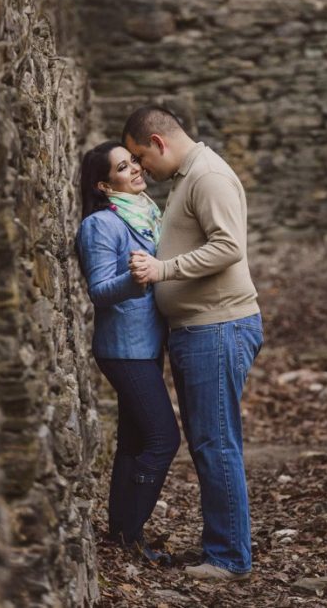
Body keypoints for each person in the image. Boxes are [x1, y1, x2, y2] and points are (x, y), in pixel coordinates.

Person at [122, 106, 263, 582]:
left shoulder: (208, 176)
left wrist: (164, 270)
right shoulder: (187, 177)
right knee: (209, 442)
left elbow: (229, 246)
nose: (141, 169)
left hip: (217, 328)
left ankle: (228, 558)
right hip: (198, 329)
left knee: (215, 443)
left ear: (159, 143)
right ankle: (220, 547)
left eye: (142, 157)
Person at [75, 141, 179, 567]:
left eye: (133, 161)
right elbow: (99, 291)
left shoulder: (144, 214)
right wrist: (136, 278)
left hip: (146, 345)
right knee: (163, 439)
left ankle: (120, 533)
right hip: (124, 350)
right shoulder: (102, 224)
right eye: (123, 167)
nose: (135, 169)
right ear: (104, 184)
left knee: (134, 441)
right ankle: (133, 534)